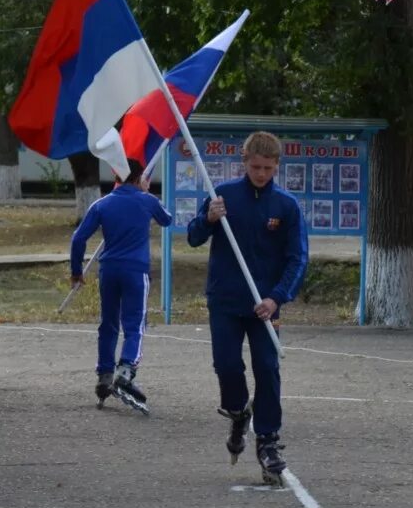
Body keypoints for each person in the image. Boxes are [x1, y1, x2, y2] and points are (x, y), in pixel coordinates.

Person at [186, 132, 308, 485]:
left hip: (265, 306)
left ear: (277, 166)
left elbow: (297, 258)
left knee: (268, 368)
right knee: (226, 365)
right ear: (244, 161)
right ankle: (239, 411)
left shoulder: (286, 206)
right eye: (255, 166)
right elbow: (193, 237)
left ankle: (268, 440)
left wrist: (277, 297)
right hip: (225, 299)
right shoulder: (221, 195)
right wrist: (208, 218)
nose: (261, 173)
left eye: (268, 168)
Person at [69, 158, 172, 414]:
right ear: (140, 177)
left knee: (109, 322)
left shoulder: (102, 204)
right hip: (136, 271)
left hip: (109, 270)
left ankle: (104, 373)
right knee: (135, 322)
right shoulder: (147, 201)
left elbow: (78, 237)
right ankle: (125, 370)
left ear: (116, 174)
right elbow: (167, 220)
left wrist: (76, 271)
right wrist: (146, 192)